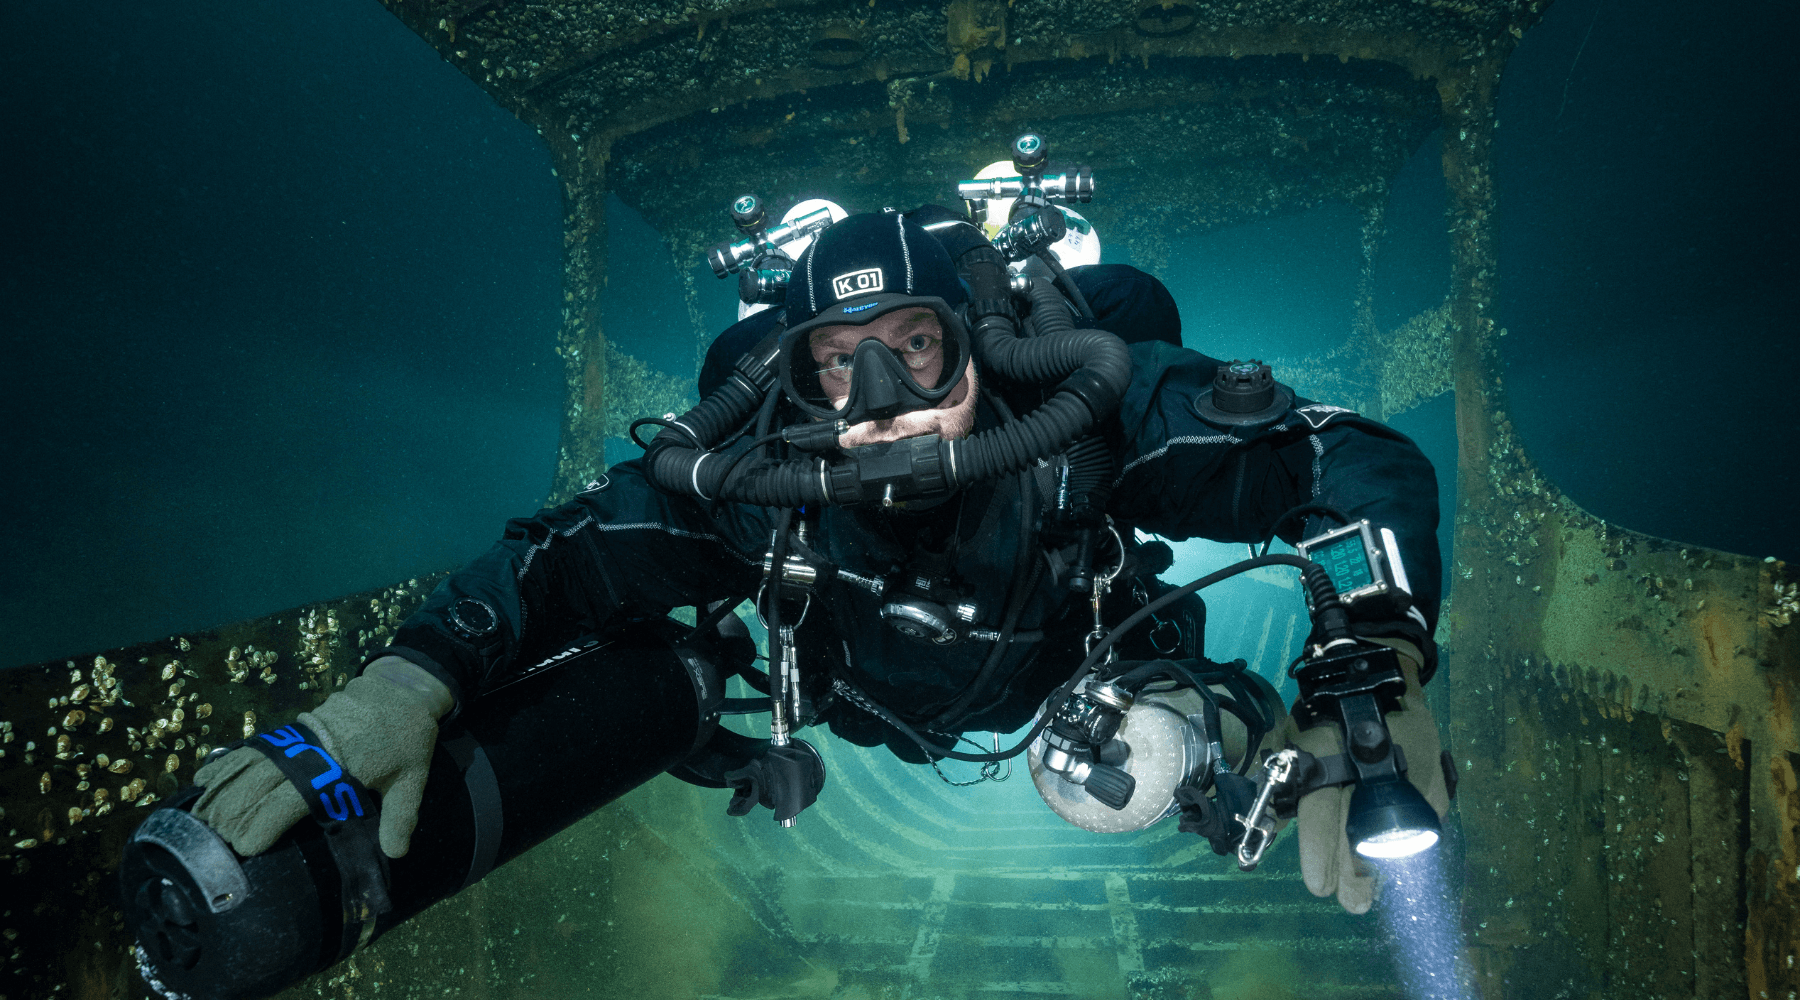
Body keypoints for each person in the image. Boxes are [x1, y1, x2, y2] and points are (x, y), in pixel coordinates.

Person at [191, 206, 1449, 916]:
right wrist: (406, 680)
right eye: (840, 360)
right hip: (853, 705)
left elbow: (1357, 464)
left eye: (918, 344)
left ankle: (1211, 726)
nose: (886, 396)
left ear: (989, 345)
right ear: (789, 382)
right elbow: (559, 565)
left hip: (1086, 671)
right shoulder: (757, 492)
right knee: (650, 656)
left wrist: (1379, 661)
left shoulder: (1083, 426)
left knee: (1160, 749)